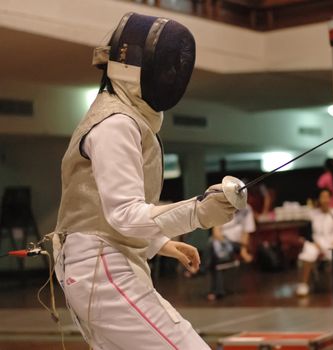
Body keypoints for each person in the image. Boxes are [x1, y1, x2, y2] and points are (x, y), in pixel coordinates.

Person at [52, 13, 236, 349]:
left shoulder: (126, 118)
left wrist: (158, 244)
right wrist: (199, 213)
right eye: (165, 67)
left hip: (101, 265)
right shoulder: (116, 123)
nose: (172, 76)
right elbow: (123, 213)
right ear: (137, 71)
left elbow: (105, 211)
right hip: (102, 269)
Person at [296, 188, 333, 297]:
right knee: (309, 255)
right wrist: (314, 243)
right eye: (323, 197)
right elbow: (307, 232)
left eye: (327, 197)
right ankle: (303, 284)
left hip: (332, 243)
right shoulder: (311, 214)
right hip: (315, 243)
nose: (325, 200)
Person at [208, 205, 256, 300]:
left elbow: (246, 233)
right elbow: (216, 232)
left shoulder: (246, 209)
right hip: (222, 241)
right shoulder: (220, 206)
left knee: (211, 246)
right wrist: (224, 243)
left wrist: (243, 250)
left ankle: (200, 269)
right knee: (215, 251)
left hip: (236, 244)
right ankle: (218, 291)